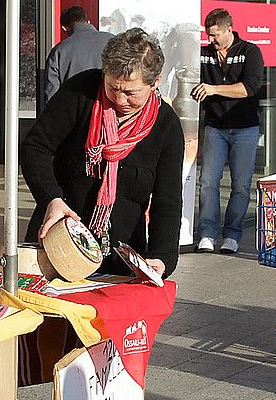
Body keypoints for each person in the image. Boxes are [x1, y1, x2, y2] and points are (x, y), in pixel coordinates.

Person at [20, 28, 183, 278]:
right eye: (112, 87)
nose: (119, 100)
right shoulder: (81, 91)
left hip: (121, 256)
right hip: (58, 243)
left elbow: (167, 200)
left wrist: (161, 257)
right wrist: (51, 198)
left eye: (130, 93)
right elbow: (35, 147)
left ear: (155, 82)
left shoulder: (166, 126)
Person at [193, 8, 265, 255]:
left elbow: (250, 87)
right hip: (215, 126)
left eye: (214, 35)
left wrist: (212, 90)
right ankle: (207, 233)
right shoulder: (204, 54)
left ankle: (232, 235)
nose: (210, 40)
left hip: (245, 127)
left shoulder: (250, 51)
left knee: (241, 185)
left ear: (228, 29)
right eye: (208, 35)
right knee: (208, 182)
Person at [44, 6, 112, 103]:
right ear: (88, 22)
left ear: (64, 29)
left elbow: (52, 96)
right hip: (107, 110)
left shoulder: (59, 51)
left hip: (73, 112)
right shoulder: (112, 41)